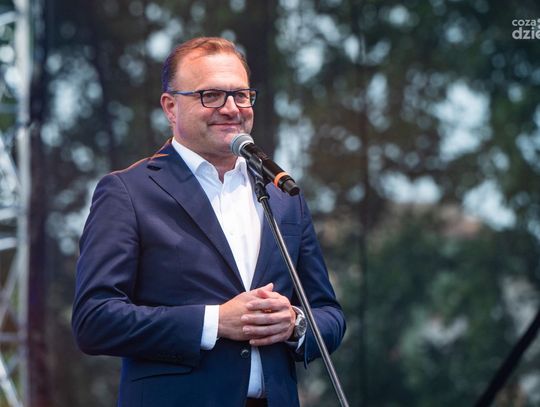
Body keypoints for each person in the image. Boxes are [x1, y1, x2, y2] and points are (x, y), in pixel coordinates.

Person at [72, 36, 346, 407]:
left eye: (241, 95)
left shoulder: (282, 195)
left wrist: (295, 323)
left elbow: (329, 315)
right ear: (171, 107)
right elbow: (94, 320)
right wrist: (214, 322)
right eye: (211, 95)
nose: (231, 108)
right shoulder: (128, 192)